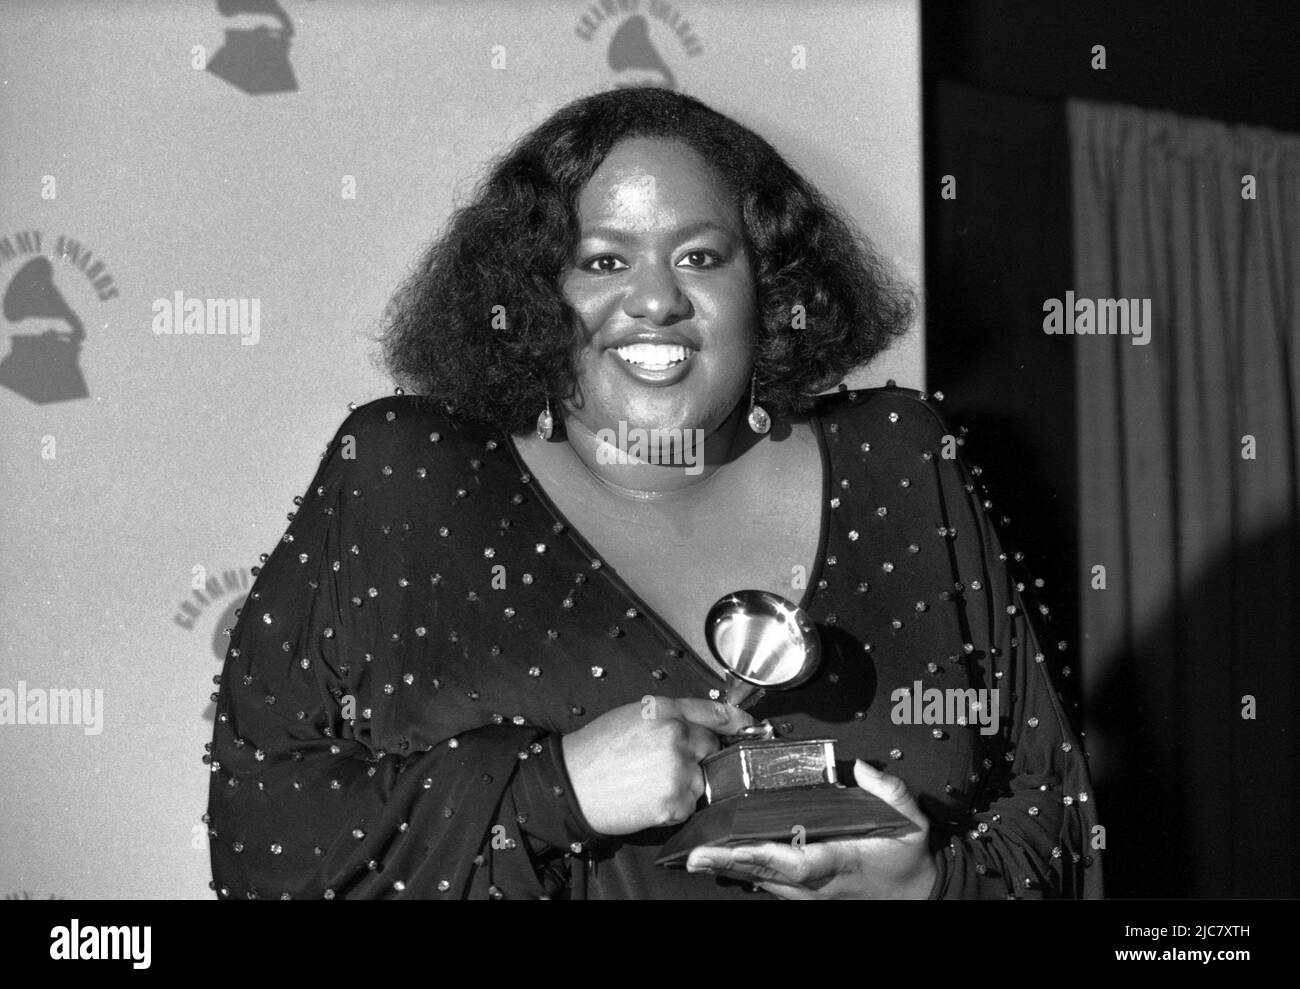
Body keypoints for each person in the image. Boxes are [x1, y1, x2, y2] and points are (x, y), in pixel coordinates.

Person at [205, 86, 1103, 899]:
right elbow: (262, 837)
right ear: (530, 291)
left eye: (703, 256)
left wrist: (925, 889)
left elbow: (1059, 816)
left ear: (771, 287)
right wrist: (552, 790)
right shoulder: (407, 470)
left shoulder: (902, 456)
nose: (654, 300)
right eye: (601, 262)